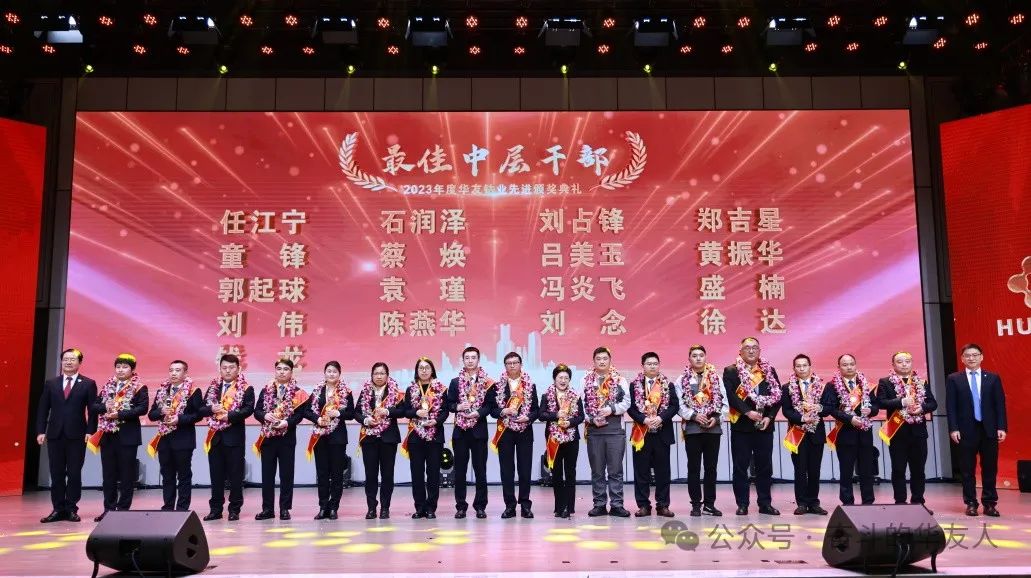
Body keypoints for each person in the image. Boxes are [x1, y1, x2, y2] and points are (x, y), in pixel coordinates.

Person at [36, 348, 97, 523]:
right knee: (56, 473)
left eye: (72, 359)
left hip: (77, 435)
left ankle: (71, 508)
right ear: (61, 362)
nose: (68, 362)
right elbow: (43, 409)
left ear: (79, 363)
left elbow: (93, 411)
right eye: (65, 359)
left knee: (74, 473)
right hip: (55, 435)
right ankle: (57, 509)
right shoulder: (51, 383)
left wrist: (90, 431)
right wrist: (41, 431)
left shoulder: (88, 383)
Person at [946, 343, 1007, 517]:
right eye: (967, 355)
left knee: (990, 468)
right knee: (967, 469)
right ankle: (971, 503)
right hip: (965, 430)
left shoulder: (993, 378)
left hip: (989, 429)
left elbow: (1000, 404)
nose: (971, 358)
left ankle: (989, 503)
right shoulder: (954, 379)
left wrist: (1002, 427)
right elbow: (951, 406)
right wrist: (953, 428)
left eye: (975, 355)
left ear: (981, 357)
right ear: (962, 359)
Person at [724, 337, 782, 516]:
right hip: (742, 427)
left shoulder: (768, 370)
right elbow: (731, 396)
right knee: (740, 467)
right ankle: (742, 504)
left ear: (759, 351)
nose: (751, 351)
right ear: (740, 351)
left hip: (764, 426)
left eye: (754, 348)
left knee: (764, 467)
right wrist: (747, 412)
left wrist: (770, 417)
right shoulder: (731, 371)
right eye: (747, 348)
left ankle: (765, 503)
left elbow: (777, 395)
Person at [89, 353, 149, 522]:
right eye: (118, 367)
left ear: (132, 369)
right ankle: (108, 509)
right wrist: (104, 406)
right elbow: (94, 406)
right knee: (108, 474)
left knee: (126, 475)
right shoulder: (108, 385)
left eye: (125, 367)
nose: (120, 370)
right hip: (108, 436)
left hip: (127, 436)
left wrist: (120, 414)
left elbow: (142, 409)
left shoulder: (139, 387)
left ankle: (123, 509)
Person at [877, 351, 938, 513]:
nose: (904, 364)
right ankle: (900, 503)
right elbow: (881, 402)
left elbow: (933, 403)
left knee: (918, 469)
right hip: (897, 433)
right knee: (898, 469)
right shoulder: (885, 382)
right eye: (900, 361)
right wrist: (902, 401)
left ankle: (918, 502)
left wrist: (922, 408)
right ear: (893, 365)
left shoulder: (921, 382)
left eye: (907, 361)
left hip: (918, 433)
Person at [199, 353, 254, 522]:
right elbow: (201, 409)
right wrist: (211, 409)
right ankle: (215, 509)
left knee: (235, 476)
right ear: (220, 369)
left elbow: (248, 409)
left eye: (231, 367)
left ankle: (234, 509)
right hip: (215, 438)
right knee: (216, 475)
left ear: (238, 369)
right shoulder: (213, 388)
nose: (228, 371)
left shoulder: (246, 388)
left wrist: (229, 416)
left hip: (234, 439)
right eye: (224, 367)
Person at [253, 358, 309, 521]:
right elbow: (257, 411)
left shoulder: (298, 392)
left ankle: (285, 508)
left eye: (285, 369)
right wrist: (265, 416)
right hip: (268, 439)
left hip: (286, 438)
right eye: (279, 369)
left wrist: (287, 422)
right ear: (275, 371)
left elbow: (300, 415)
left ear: (291, 372)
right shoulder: (266, 390)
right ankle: (267, 509)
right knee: (267, 475)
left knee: (286, 474)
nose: (282, 372)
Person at [146, 360, 205, 512]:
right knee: (167, 475)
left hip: (183, 439)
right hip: (164, 439)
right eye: (171, 370)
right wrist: (161, 411)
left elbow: (198, 415)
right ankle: (168, 506)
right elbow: (151, 415)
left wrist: (179, 419)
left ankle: (182, 508)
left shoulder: (193, 391)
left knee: (184, 475)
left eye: (178, 370)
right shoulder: (162, 391)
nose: (173, 373)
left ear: (185, 373)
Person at [821, 354, 879, 506]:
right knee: (846, 470)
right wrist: (849, 419)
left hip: (864, 434)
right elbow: (831, 409)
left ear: (856, 365)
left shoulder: (865, 384)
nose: (849, 367)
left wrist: (871, 410)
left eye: (852, 364)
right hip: (845, 433)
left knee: (867, 470)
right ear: (839, 367)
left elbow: (876, 406)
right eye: (845, 364)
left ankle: (868, 501)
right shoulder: (832, 386)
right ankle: (847, 503)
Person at [676, 345, 726, 517]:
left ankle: (709, 505)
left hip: (713, 429)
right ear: (689, 359)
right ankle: (696, 504)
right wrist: (694, 416)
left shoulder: (715, 378)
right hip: (693, 430)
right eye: (694, 355)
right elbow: (679, 405)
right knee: (694, 468)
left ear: (706, 357)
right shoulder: (682, 379)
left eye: (701, 355)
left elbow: (724, 403)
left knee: (711, 468)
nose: (698, 358)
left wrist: (716, 419)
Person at [446, 346, 495, 519]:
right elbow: (449, 404)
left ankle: (480, 506)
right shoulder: (455, 382)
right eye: (467, 358)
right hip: (460, 432)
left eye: (473, 357)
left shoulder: (487, 382)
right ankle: (461, 506)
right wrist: (458, 407)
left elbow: (490, 406)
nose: (470, 360)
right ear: (463, 360)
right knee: (460, 471)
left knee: (480, 470)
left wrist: (479, 413)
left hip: (478, 431)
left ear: (478, 360)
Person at [627, 352, 678, 517]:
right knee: (641, 472)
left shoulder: (668, 385)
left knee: (663, 472)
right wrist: (644, 419)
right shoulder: (634, 385)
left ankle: (663, 505)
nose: (652, 366)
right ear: (642, 366)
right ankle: (643, 505)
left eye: (655, 363)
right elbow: (630, 408)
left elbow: (674, 406)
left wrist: (660, 418)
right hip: (642, 433)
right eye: (649, 363)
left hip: (662, 433)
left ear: (659, 365)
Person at [303, 361, 355, 520]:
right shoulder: (317, 390)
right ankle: (323, 507)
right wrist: (317, 419)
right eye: (329, 371)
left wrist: (338, 414)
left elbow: (351, 413)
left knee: (337, 474)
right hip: (320, 437)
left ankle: (334, 507)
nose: (331, 374)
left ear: (339, 374)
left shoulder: (346, 392)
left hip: (337, 438)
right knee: (322, 473)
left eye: (334, 371)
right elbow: (306, 411)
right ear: (324, 373)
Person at [583, 346, 631, 517]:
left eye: (605, 359)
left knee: (615, 470)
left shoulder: (620, 380)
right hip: (594, 431)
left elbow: (627, 402)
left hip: (615, 430)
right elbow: (580, 405)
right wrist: (591, 419)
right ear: (593, 361)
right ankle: (599, 504)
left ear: (610, 361)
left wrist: (611, 409)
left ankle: (617, 505)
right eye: (598, 359)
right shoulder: (586, 380)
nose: (602, 362)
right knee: (597, 470)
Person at [490, 352, 539, 519]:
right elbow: (492, 410)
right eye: (509, 363)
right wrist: (503, 410)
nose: (512, 365)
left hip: (525, 431)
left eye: (515, 362)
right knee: (507, 470)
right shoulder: (497, 386)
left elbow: (536, 410)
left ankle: (525, 505)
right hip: (505, 431)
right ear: (505, 366)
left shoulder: (530, 385)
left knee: (525, 470)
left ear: (520, 364)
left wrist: (528, 417)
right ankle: (509, 506)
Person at [354, 362, 406, 519]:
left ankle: (385, 507)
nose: (379, 376)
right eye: (376, 373)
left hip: (388, 439)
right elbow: (356, 413)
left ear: (387, 376)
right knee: (370, 475)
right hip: (369, 438)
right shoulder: (365, 391)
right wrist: (365, 420)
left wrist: (388, 411)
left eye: (382, 373)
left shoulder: (395, 392)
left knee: (387, 475)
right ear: (371, 375)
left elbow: (403, 411)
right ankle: (371, 508)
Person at [780, 354, 829, 515]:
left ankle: (814, 503)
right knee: (800, 469)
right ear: (794, 369)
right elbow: (787, 411)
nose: (801, 368)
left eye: (804, 365)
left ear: (810, 367)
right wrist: (801, 418)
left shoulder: (821, 386)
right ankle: (801, 503)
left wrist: (819, 408)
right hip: (797, 432)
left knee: (814, 470)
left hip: (816, 433)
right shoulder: (787, 387)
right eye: (798, 366)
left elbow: (829, 407)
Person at [403, 357, 449, 519]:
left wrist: (436, 421)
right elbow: (405, 411)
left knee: (433, 473)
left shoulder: (441, 389)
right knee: (417, 473)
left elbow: (445, 411)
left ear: (432, 370)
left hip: (435, 436)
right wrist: (416, 412)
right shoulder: (411, 389)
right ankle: (419, 507)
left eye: (427, 368)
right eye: (421, 368)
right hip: (415, 436)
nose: (424, 371)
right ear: (417, 371)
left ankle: (431, 508)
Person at [539, 364, 584, 519]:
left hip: (571, 439)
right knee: (556, 473)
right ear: (554, 379)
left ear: (569, 380)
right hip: (553, 439)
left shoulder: (575, 395)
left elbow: (581, 417)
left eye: (566, 378)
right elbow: (541, 415)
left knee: (570, 472)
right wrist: (556, 415)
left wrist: (570, 423)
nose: (563, 380)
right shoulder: (547, 395)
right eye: (560, 377)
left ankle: (569, 507)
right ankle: (559, 507)